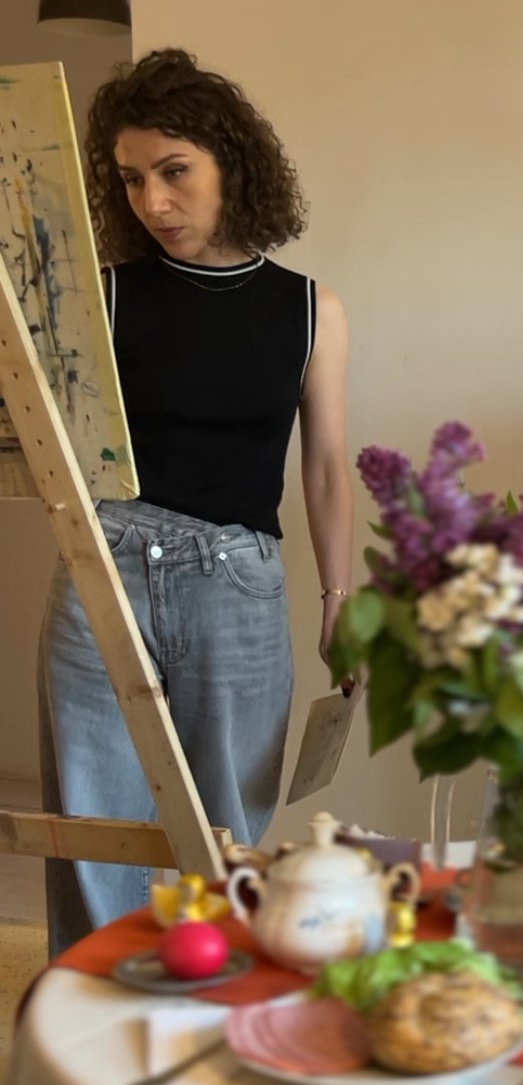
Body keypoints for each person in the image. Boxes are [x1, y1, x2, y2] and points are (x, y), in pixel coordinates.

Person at [38, 48, 354, 954]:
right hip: (108, 568)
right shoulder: (97, 298)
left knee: (227, 833)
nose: (153, 203)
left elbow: (326, 467)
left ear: (232, 166)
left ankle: (216, 1025)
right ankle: (95, 1026)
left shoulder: (308, 310)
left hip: (240, 589)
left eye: (174, 173)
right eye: (132, 179)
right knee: (96, 829)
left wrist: (340, 599)